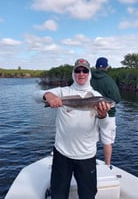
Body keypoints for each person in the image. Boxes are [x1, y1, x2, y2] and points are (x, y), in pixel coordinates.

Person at [33, 58, 112, 199]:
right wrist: (48, 95)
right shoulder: (63, 92)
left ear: (89, 74)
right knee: (58, 195)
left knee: (88, 196)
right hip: (62, 154)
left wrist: (102, 115)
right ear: (73, 73)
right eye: (77, 70)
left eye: (85, 71)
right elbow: (35, 95)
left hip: (87, 156)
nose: (81, 74)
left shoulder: (97, 97)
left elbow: (105, 127)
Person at [90, 57, 121, 167]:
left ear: (96, 66)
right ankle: (107, 165)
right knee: (107, 141)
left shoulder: (89, 78)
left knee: (91, 139)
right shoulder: (109, 80)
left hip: (91, 114)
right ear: (107, 67)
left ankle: (89, 162)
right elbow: (117, 99)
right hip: (108, 115)